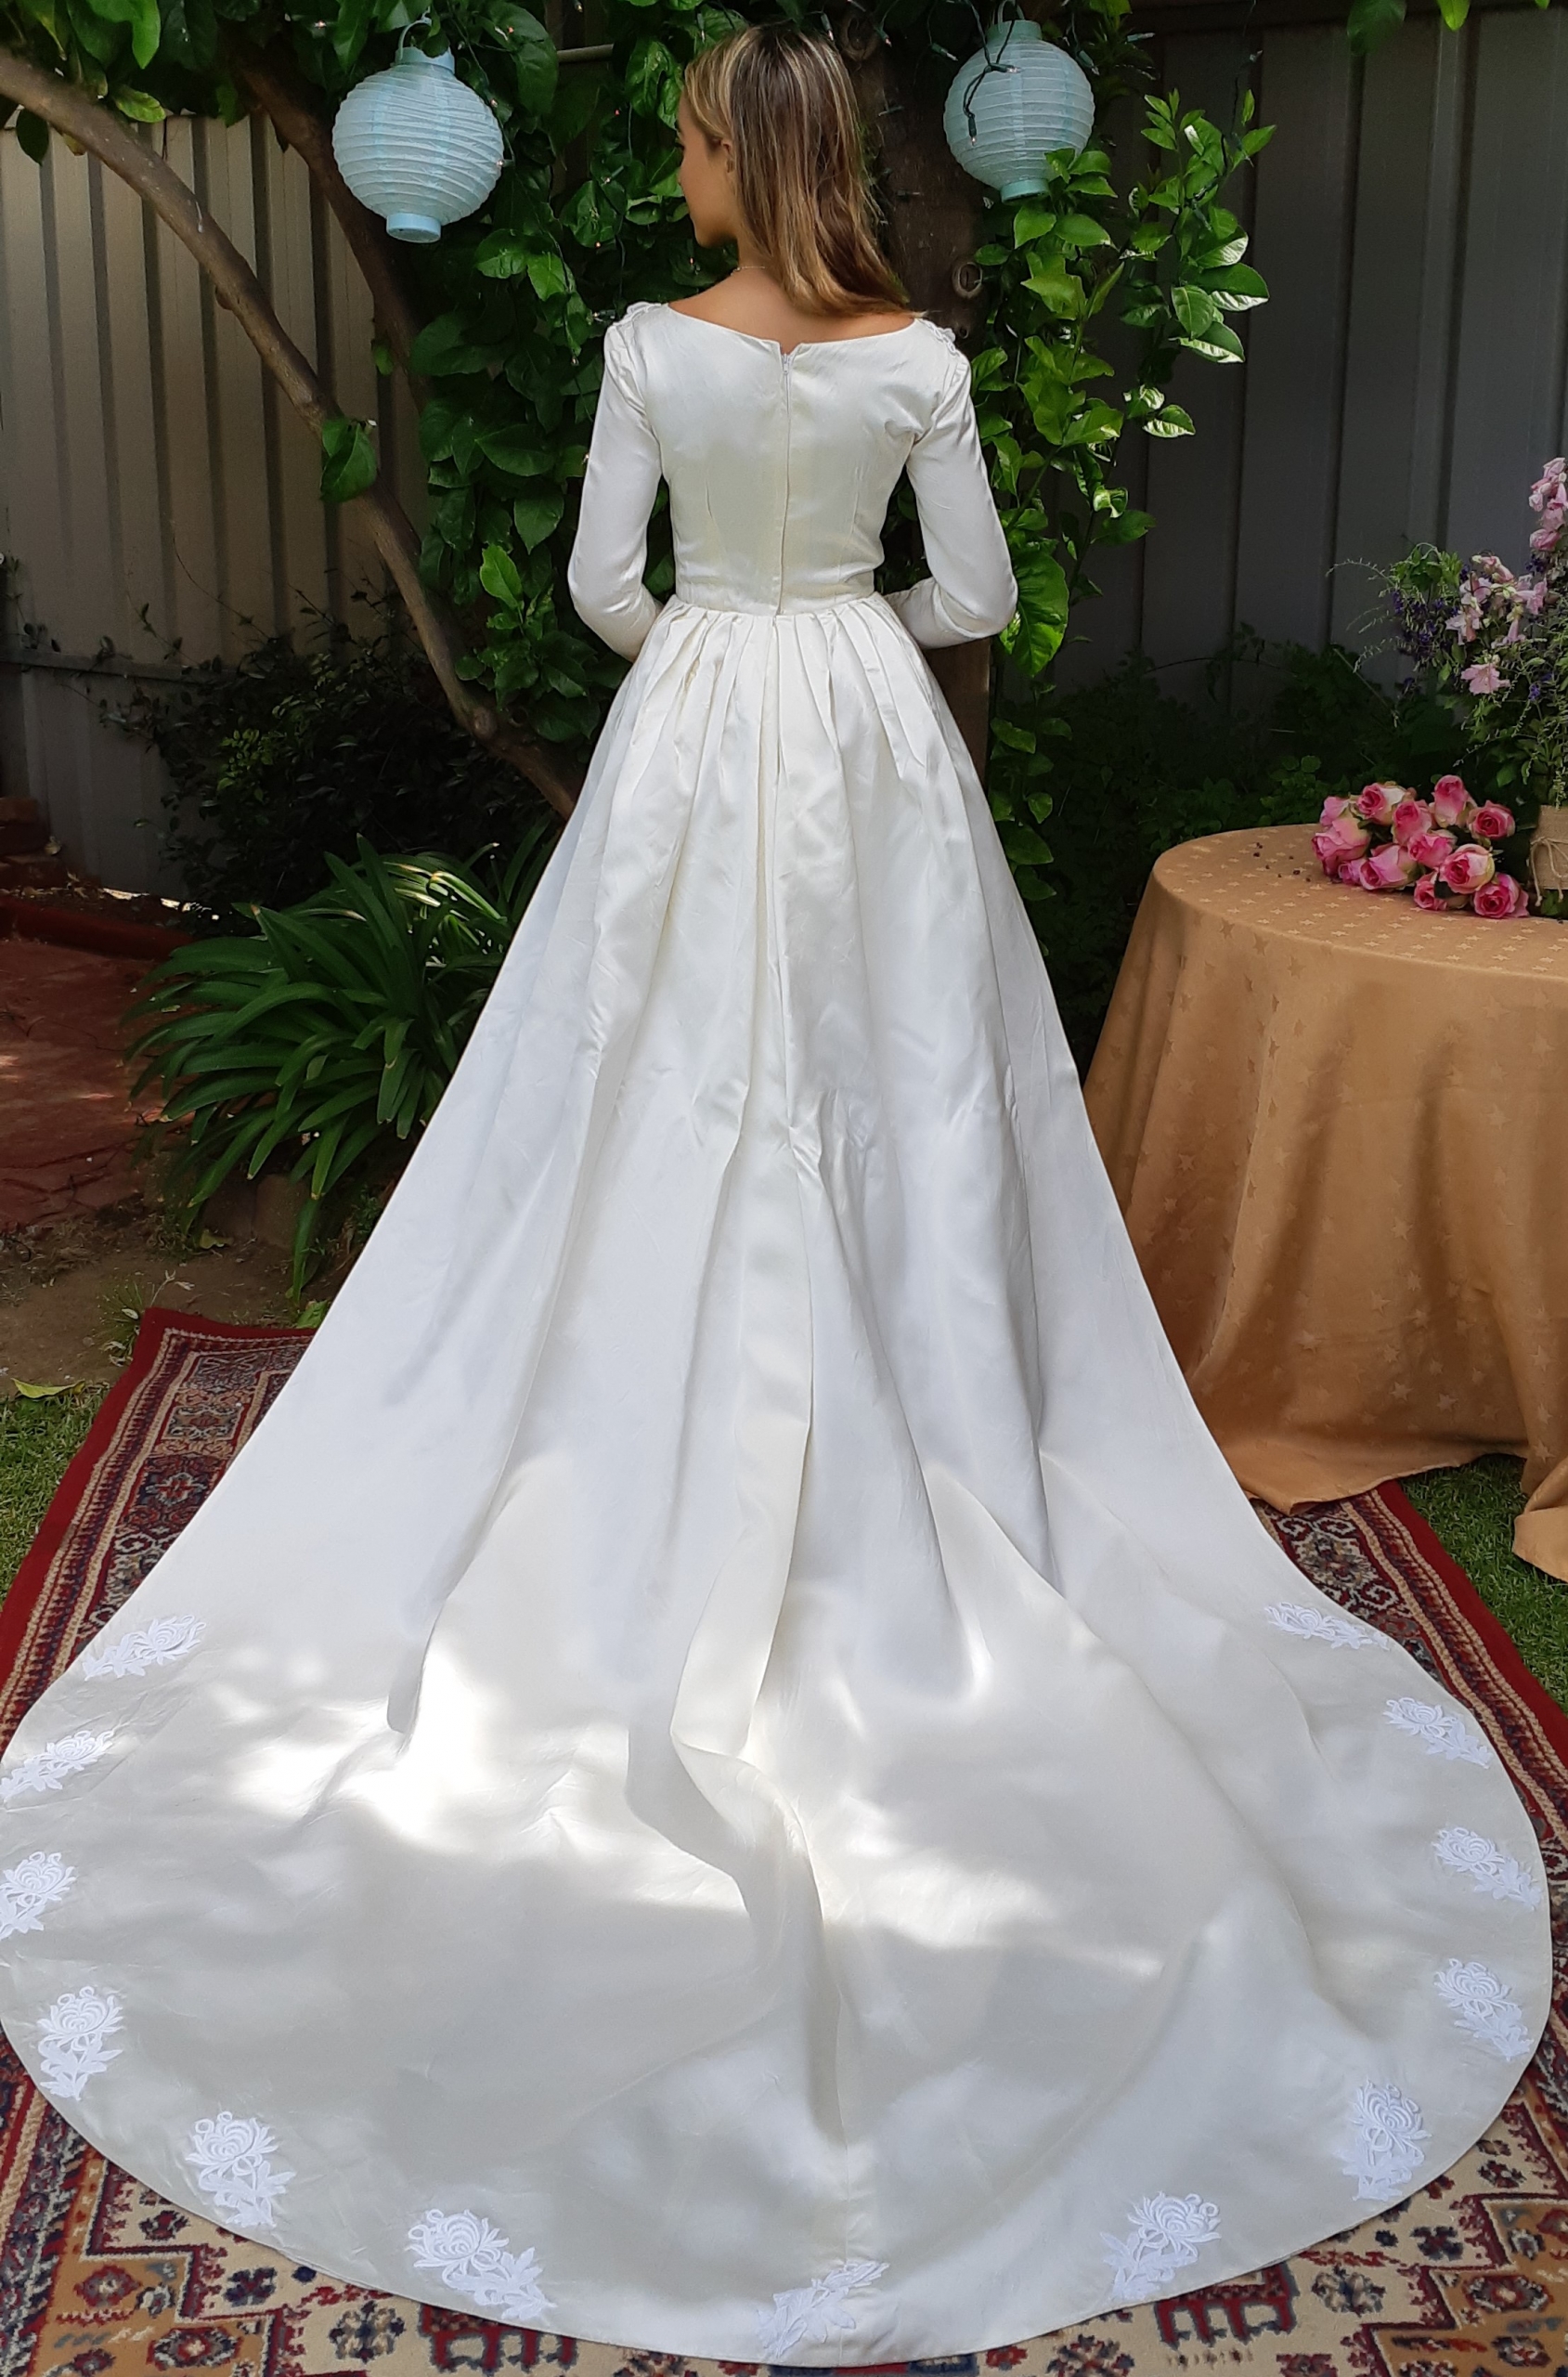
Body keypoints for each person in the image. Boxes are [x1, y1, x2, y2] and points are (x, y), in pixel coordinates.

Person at [0, 21, 1550, 2369]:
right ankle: (905, 1385)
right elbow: (977, 588)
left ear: (744, 153)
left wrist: (727, 637)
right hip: (863, 734)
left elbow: (601, 586)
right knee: (901, 1091)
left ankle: (648, 1386)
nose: (678, 161)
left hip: (699, 722)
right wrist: (840, 629)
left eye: (692, 136)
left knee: (643, 1082)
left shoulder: (649, 343)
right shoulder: (918, 353)